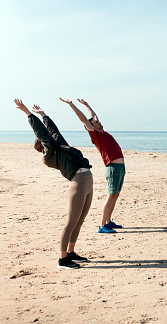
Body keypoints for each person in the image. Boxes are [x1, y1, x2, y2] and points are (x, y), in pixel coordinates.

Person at [14, 99, 93, 269]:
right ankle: (62, 259)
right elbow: (44, 134)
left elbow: (53, 131)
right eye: (45, 140)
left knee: (80, 221)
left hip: (87, 182)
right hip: (78, 182)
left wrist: (43, 115)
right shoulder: (51, 152)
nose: (50, 138)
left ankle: (71, 253)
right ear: (43, 145)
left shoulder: (60, 146)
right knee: (71, 222)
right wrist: (28, 113)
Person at [60, 98, 125, 234]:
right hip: (112, 168)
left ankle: (108, 221)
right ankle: (102, 226)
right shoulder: (95, 136)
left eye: (97, 121)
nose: (98, 121)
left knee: (116, 195)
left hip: (120, 168)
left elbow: (93, 116)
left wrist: (88, 105)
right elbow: (84, 119)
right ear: (92, 127)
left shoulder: (102, 133)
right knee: (111, 195)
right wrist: (72, 105)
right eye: (96, 122)